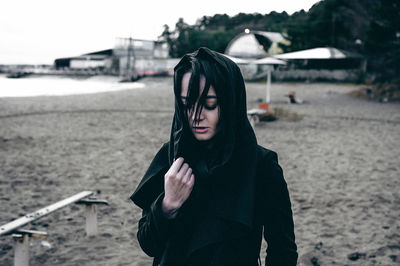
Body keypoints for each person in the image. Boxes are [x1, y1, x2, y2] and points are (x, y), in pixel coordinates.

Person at [130, 47, 297, 266]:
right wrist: (167, 205)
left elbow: (282, 250)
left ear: (229, 102)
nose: (196, 116)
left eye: (209, 104)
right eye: (186, 104)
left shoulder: (262, 166)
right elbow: (148, 243)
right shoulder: (171, 156)